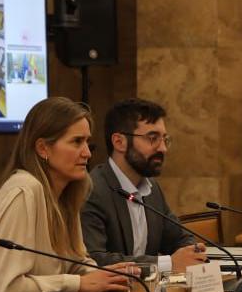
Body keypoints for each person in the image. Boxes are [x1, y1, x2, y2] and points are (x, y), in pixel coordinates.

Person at [0, 98, 132, 292]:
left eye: (87, 143)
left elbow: (74, 262)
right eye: (76, 142)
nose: (87, 153)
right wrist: (77, 283)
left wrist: (106, 277)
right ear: (43, 148)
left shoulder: (66, 192)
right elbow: (2, 288)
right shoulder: (23, 191)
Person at [82, 98, 208, 272]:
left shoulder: (151, 188)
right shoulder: (92, 190)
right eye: (152, 138)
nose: (163, 148)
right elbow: (94, 259)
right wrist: (167, 264)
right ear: (119, 142)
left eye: (165, 139)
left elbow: (179, 238)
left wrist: (191, 252)